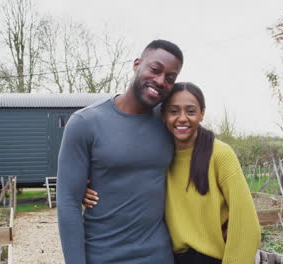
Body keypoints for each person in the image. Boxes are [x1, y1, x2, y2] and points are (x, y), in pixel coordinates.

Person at [85, 82, 261, 264]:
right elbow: (127, 192)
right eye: (174, 111)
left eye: (191, 111)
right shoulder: (158, 156)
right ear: (163, 115)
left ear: (202, 114)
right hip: (169, 258)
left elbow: (246, 225)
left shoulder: (220, 154)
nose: (182, 118)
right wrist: (91, 191)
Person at [57, 39, 183, 264]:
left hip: (159, 256)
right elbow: (68, 202)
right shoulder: (85, 123)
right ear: (137, 64)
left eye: (170, 78)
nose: (161, 80)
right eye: (155, 70)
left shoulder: (168, 124)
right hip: (103, 256)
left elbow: (203, 156)